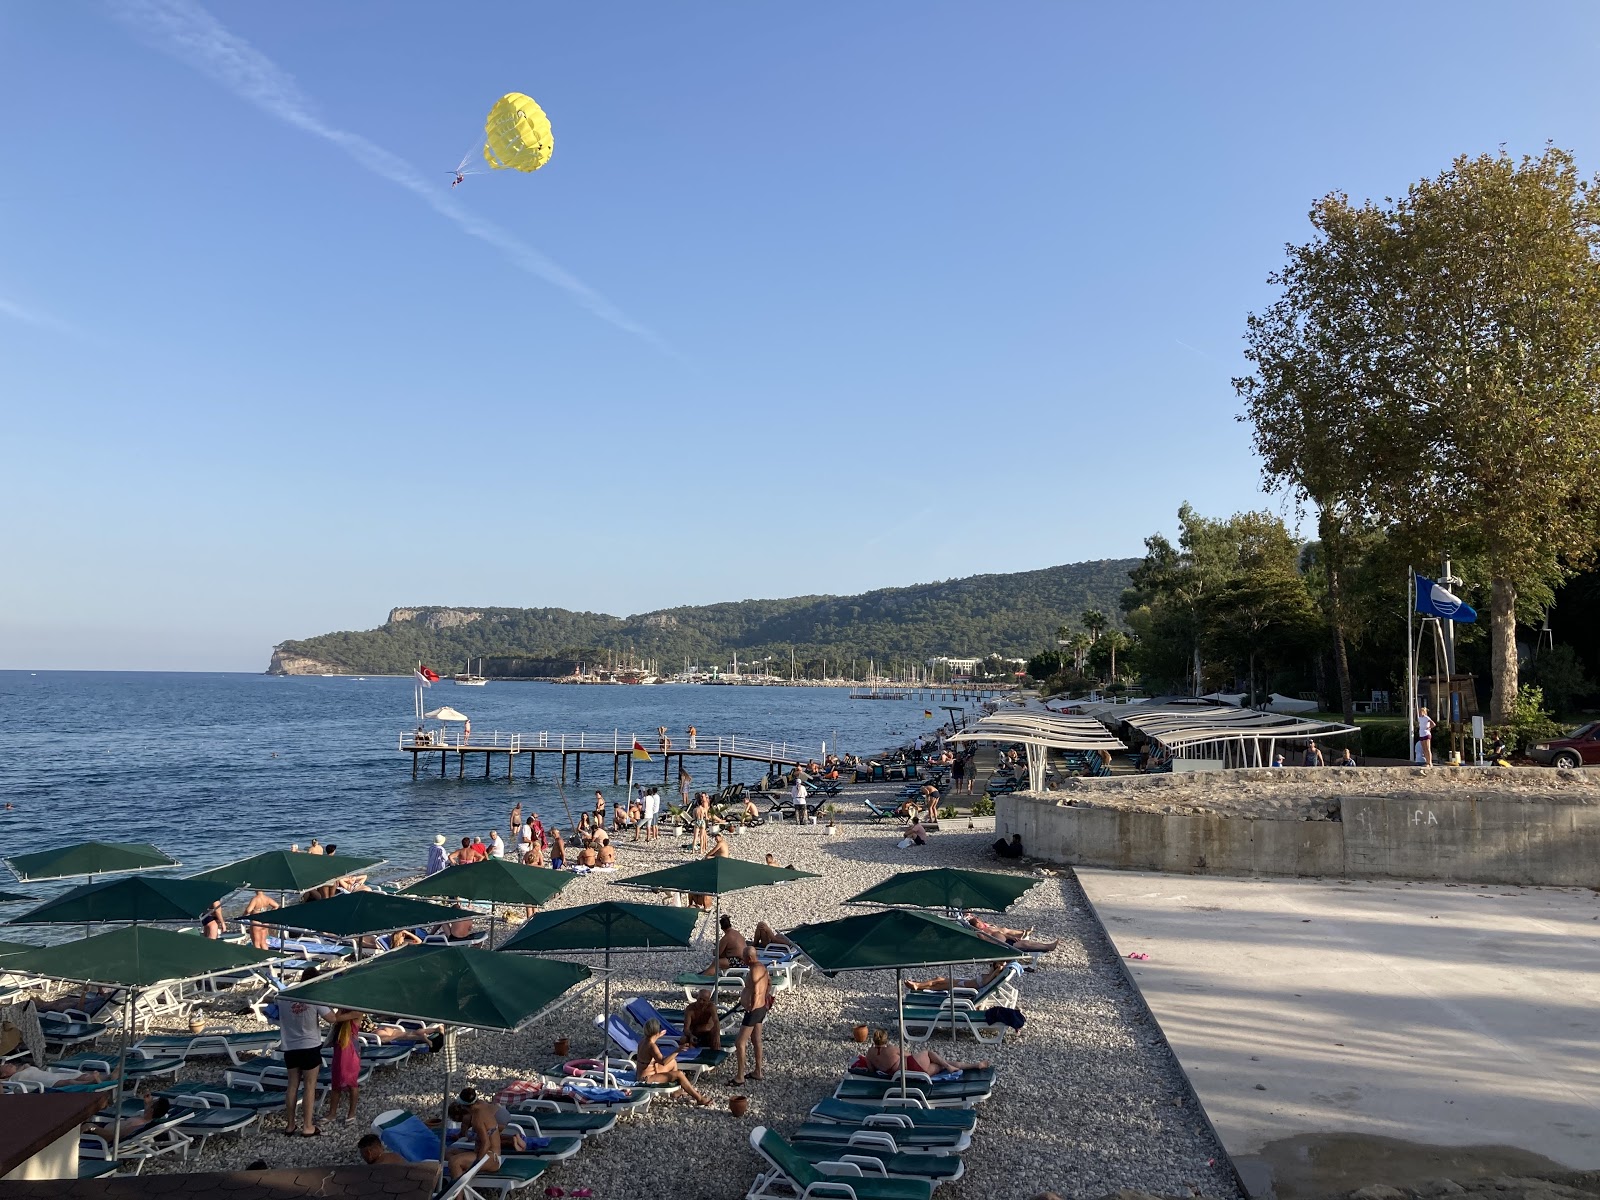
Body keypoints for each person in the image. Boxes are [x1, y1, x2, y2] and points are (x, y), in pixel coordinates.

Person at [280, 967, 329, 1136]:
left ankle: (290, 1125)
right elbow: (331, 1018)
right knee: (309, 1086)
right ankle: (307, 1126)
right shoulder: (315, 997)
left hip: (290, 1046)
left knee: (292, 1084)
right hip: (309, 1046)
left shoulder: (285, 995)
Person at [446, 1094, 524, 1180]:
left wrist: (476, 1164)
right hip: (502, 1113)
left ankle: (462, 1172)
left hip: (490, 1156)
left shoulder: (475, 1118)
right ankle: (512, 1139)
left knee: (455, 1162)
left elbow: (485, 1143)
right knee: (450, 1153)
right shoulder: (482, 1107)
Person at [634, 1018, 710, 1105]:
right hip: (646, 1079)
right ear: (657, 1032)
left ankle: (676, 1091)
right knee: (679, 1074)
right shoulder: (652, 1046)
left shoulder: (643, 1041)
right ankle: (699, 1098)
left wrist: (658, 1035)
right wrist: (677, 1050)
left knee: (672, 1062)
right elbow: (663, 1062)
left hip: (643, 1072)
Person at [864, 1027, 987, 1076]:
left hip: (906, 1074)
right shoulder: (891, 1049)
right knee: (931, 1055)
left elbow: (871, 1070)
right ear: (886, 1038)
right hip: (913, 1064)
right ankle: (972, 1065)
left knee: (939, 1066)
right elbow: (909, 1055)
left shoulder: (870, 1053)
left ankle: (949, 1066)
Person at [732, 944, 771, 1085]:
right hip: (761, 1009)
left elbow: (756, 991)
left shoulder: (754, 970)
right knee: (756, 1040)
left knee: (740, 1042)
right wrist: (764, 999)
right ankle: (758, 1072)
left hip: (754, 1010)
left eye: (743, 957)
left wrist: (751, 1007)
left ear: (749, 957)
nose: (742, 959)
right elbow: (769, 984)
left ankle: (740, 1076)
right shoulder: (763, 968)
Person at [326, 1005, 365, 1124]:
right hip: (340, 1048)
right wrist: (340, 1009)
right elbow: (336, 1017)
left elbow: (335, 1018)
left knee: (352, 1082)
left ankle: (351, 1113)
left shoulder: (358, 1011)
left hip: (350, 1049)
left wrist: (340, 1009)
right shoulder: (343, 1010)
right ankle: (332, 1113)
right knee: (336, 1081)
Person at [966, 911, 1057, 953]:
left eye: (979, 921)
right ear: (976, 926)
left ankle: (1046, 946)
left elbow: (999, 934)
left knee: (1026, 942)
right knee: (1025, 945)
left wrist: (1010, 937)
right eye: (978, 923)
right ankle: (1047, 947)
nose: (980, 922)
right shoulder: (980, 933)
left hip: (1007, 941)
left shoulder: (986, 928)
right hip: (1004, 947)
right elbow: (986, 943)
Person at [905, 961, 1008, 993]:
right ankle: (918, 985)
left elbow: (987, 981)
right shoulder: (990, 975)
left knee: (938, 983)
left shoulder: (990, 978)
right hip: (964, 982)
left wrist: (996, 971)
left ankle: (917, 985)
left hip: (964, 987)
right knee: (939, 981)